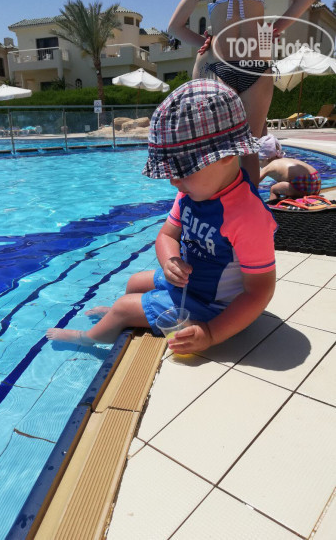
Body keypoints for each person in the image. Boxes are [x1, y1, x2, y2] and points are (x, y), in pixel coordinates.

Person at [47, 80, 277, 355]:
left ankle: (89, 337)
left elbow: (258, 293)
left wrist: (211, 333)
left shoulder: (247, 217)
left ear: (225, 156)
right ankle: (127, 316)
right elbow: (167, 235)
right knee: (134, 282)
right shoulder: (191, 192)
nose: (173, 181)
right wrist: (170, 261)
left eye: (183, 170)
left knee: (123, 306)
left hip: (215, 308)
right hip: (191, 285)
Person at [168, 0, 316, 186]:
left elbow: (174, 27)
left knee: (229, 148)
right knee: (245, 149)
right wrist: (273, 29)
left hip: (226, 63)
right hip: (252, 63)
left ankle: (229, 201)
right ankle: (244, 201)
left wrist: (206, 43)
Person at [259, 134, 321, 199]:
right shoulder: (284, 160)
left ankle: (272, 204)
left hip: (304, 184)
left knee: (274, 189)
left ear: (265, 158)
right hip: (316, 181)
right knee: (283, 185)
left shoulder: (270, 165)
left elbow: (255, 181)